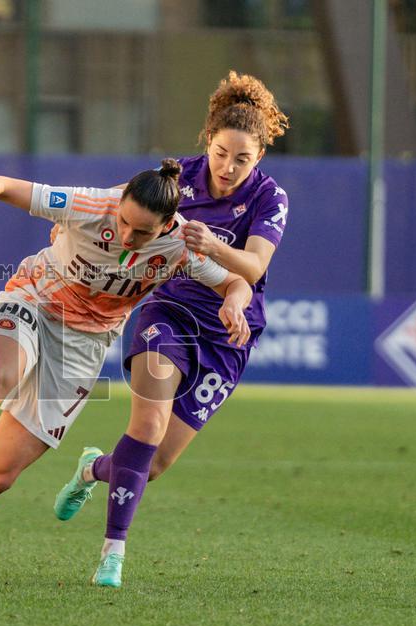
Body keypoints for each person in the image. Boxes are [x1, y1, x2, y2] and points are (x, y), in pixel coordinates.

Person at [0, 159, 254, 583]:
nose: (128, 236)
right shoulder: (90, 204)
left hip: (83, 348)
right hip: (34, 301)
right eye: (124, 222)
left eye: (142, 232)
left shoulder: (181, 246)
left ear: (168, 224)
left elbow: (236, 282)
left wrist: (234, 302)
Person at [52, 71, 290, 587]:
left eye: (243, 159)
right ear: (209, 141)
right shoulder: (176, 177)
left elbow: (252, 269)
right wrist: (71, 222)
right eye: (223, 152)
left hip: (229, 332)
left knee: (153, 464)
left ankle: (93, 469)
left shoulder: (271, 199)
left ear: (259, 159)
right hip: (170, 311)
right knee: (148, 427)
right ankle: (112, 553)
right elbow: (115, 203)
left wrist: (213, 248)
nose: (229, 167)